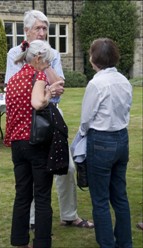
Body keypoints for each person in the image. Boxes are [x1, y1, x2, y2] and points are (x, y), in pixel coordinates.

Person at [5, 10, 94, 229]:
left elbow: (60, 88)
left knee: (67, 167)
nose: (43, 32)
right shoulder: (15, 52)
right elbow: (14, 86)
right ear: (26, 30)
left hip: (52, 113)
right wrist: (45, 89)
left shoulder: (52, 53)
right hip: (29, 116)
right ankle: (34, 219)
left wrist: (46, 63)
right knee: (35, 169)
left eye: (45, 28)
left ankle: (69, 214)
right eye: (38, 28)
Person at [4, 40, 66, 248]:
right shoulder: (37, 75)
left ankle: (19, 241)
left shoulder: (13, 79)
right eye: (47, 63)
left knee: (22, 194)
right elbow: (37, 103)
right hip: (36, 142)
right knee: (41, 196)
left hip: (17, 144)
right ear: (38, 59)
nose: (47, 67)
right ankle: (41, 243)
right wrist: (48, 95)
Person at [78, 38, 133, 247]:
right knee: (120, 196)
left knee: (100, 200)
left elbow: (85, 118)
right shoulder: (124, 80)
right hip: (121, 138)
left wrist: (82, 135)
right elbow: (126, 108)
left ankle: (108, 245)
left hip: (101, 140)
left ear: (94, 58)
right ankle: (125, 243)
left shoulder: (96, 83)